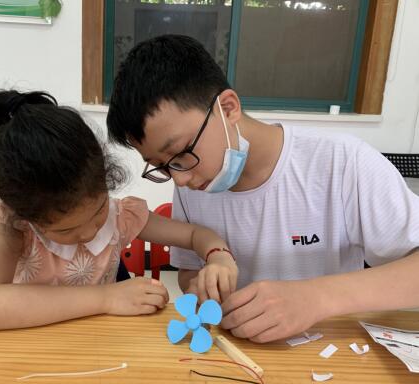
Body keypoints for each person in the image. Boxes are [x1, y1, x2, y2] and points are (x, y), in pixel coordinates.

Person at [107, 34, 419, 342]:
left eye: (181, 152)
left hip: (332, 352)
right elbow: (189, 272)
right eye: (162, 166)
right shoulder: (193, 181)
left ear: (228, 108)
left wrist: (316, 297)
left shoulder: (342, 162)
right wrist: (203, 286)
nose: (180, 179)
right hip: (242, 352)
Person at [0, 89, 238, 331]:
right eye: (66, 230)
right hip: (32, 348)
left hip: (102, 345)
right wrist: (107, 298)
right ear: (26, 218)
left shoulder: (121, 216)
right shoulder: (13, 227)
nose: (89, 233)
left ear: (105, 181)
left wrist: (219, 257)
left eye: (98, 212)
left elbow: (197, 235)